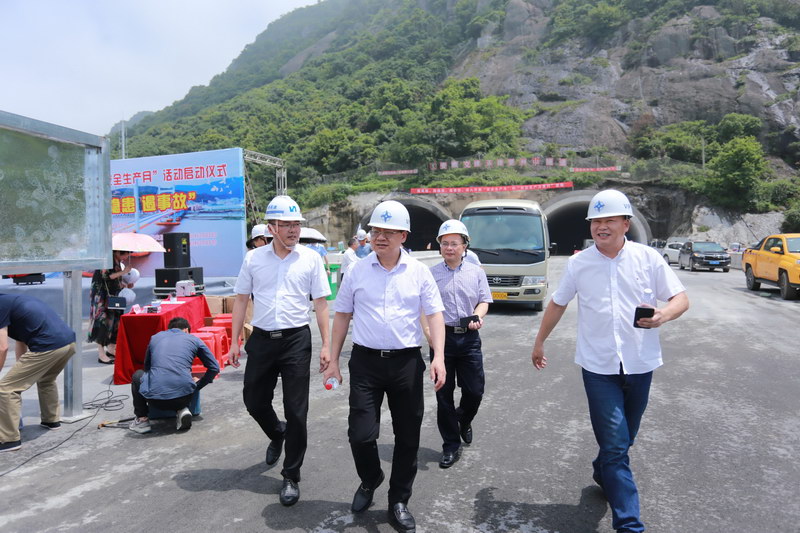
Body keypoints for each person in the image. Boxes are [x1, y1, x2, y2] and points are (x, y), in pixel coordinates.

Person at [531, 189, 689, 533]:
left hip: (640, 363)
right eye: (596, 221)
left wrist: (663, 315)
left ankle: (603, 469)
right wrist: (540, 341)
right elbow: (558, 303)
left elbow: (680, 298)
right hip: (598, 368)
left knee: (624, 438)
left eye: (609, 220)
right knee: (616, 446)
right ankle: (629, 524)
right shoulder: (579, 264)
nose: (601, 227)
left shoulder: (648, 258)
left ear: (626, 224)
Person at [326, 200, 446, 532]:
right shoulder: (357, 270)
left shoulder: (418, 272)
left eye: (389, 232)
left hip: (406, 363)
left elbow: (435, 315)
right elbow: (342, 316)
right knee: (360, 434)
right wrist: (333, 360)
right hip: (365, 362)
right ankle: (370, 477)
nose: (380, 237)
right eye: (376, 230)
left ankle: (398, 500)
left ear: (403, 236)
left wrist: (438, 356)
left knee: (408, 436)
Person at [228, 194, 331, 507]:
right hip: (261, 339)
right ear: (271, 228)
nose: (293, 230)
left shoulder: (310, 259)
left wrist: (327, 345)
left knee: (296, 410)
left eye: (296, 224)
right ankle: (277, 433)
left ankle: (291, 475)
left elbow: (321, 303)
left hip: (296, 340)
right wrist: (234, 341)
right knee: (254, 400)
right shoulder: (253, 259)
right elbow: (241, 300)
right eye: (285, 225)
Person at [423, 220, 492, 469]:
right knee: (443, 395)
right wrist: (429, 335)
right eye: (445, 243)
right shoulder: (430, 274)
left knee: (475, 391)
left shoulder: (476, 272)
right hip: (442, 339)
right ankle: (450, 445)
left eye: (454, 243)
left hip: (469, 339)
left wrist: (477, 315)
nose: (449, 248)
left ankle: (463, 419)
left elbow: (484, 300)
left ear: (464, 246)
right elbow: (423, 307)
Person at [0, 293, 76, 452]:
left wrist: (13, 380)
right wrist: (21, 371)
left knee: (6, 389)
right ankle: (51, 420)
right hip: (68, 343)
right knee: (46, 379)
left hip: (48, 346)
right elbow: (21, 340)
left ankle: (9, 440)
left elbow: (2, 348)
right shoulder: (11, 301)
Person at [128, 317, 219, 434]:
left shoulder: (155, 338)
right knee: (183, 379)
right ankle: (182, 409)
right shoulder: (194, 340)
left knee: (137, 375)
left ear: (170, 329)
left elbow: (147, 368)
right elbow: (214, 368)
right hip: (184, 397)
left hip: (154, 400)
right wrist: (197, 385)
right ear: (186, 330)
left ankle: (142, 420)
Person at [88, 249, 133, 364]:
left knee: (116, 321)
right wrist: (124, 272)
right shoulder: (107, 259)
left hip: (114, 295)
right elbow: (107, 276)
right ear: (118, 252)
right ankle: (101, 354)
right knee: (104, 322)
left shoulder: (117, 262)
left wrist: (126, 285)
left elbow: (115, 280)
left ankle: (111, 348)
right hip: (102, 296)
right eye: (125, 255)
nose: (126, 258)